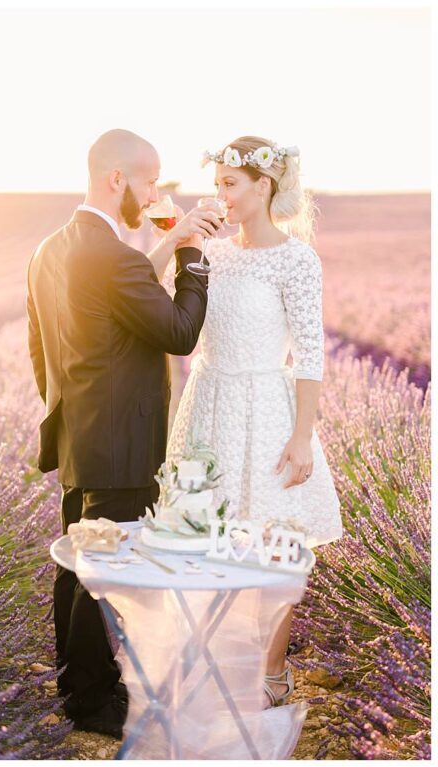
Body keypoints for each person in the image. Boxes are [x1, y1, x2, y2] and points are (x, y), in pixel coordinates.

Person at [26, 129, 219, 736]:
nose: (156, 193)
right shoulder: (109, 256)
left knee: (75, 571)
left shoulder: (52, 249)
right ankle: (94, 703)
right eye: (150, 181)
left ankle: (78, 691)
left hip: (83, 435)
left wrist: (170, 242)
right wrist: (193, 257)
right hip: (124, 442)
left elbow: (42, 351)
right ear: (118, 180)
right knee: (98, 578)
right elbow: (180, 331)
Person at [167, 136, 342, 706]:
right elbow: (170, 321)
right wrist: (179, 236)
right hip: (209, 402)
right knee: (205, 540)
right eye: (216, 183)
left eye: (229, 184)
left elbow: (311, 355)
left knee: (275, 547)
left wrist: (302, 436)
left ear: (263, 185)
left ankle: (271, 671)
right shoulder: (211, 252)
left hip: (268, 408)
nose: (220, 194)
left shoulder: (296, 258)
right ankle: (215, 662)